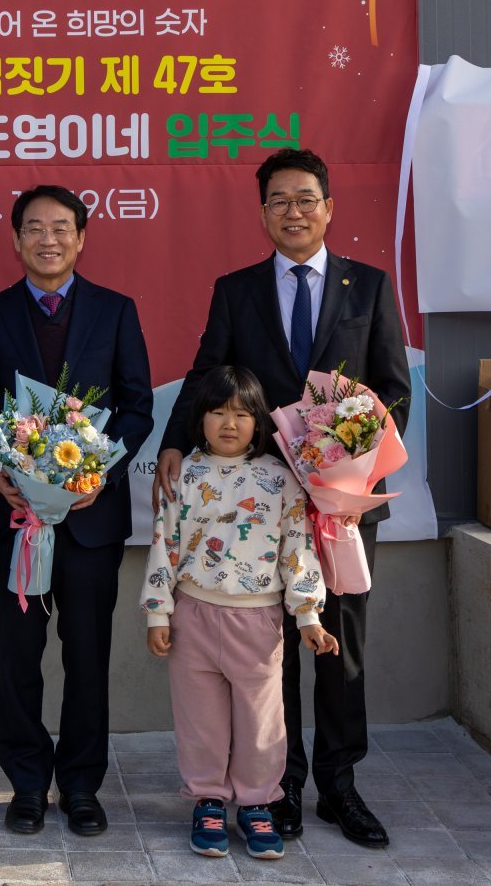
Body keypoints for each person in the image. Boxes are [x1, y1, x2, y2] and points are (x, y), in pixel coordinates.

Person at [154, 148, 410, 849]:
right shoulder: (236, 290)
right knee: (273, 652)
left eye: (305, 199)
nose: (292, 212)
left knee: (340, 643)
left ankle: (340, 785)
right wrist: (176, 440)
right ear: (261, 211)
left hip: (343, 507)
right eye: (278, 201)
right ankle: (281, 785)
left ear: (328, 207)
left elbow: (394, 390)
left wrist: (349, 464)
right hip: (257, 506)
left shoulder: (370, 287)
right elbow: (208, 371)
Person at [0, 185, 154, 837]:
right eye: (35, 228)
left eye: (62, 227)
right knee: (19, 655)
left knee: (87, 655)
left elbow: (136, 406)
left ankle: (80, 783)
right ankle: (28, 783)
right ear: (15, 240)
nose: (48, 238)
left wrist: (100, 473)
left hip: (91, 521)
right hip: (15, 522)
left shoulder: (116, 311)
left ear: (82, 237)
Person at [141, 366, 338, 860]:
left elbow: (298, 548)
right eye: (217, 411)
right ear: (199, 418)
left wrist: (309, 616)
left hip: (259, 621)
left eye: (242, 414)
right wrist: (157, 615)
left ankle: (257, 805)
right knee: (200, 721)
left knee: (261, 722)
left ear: (259, 423)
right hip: (193, 617)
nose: (229, 423)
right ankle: (208, 800)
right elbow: (163, 546)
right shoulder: (181, 473)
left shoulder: (280, 480)